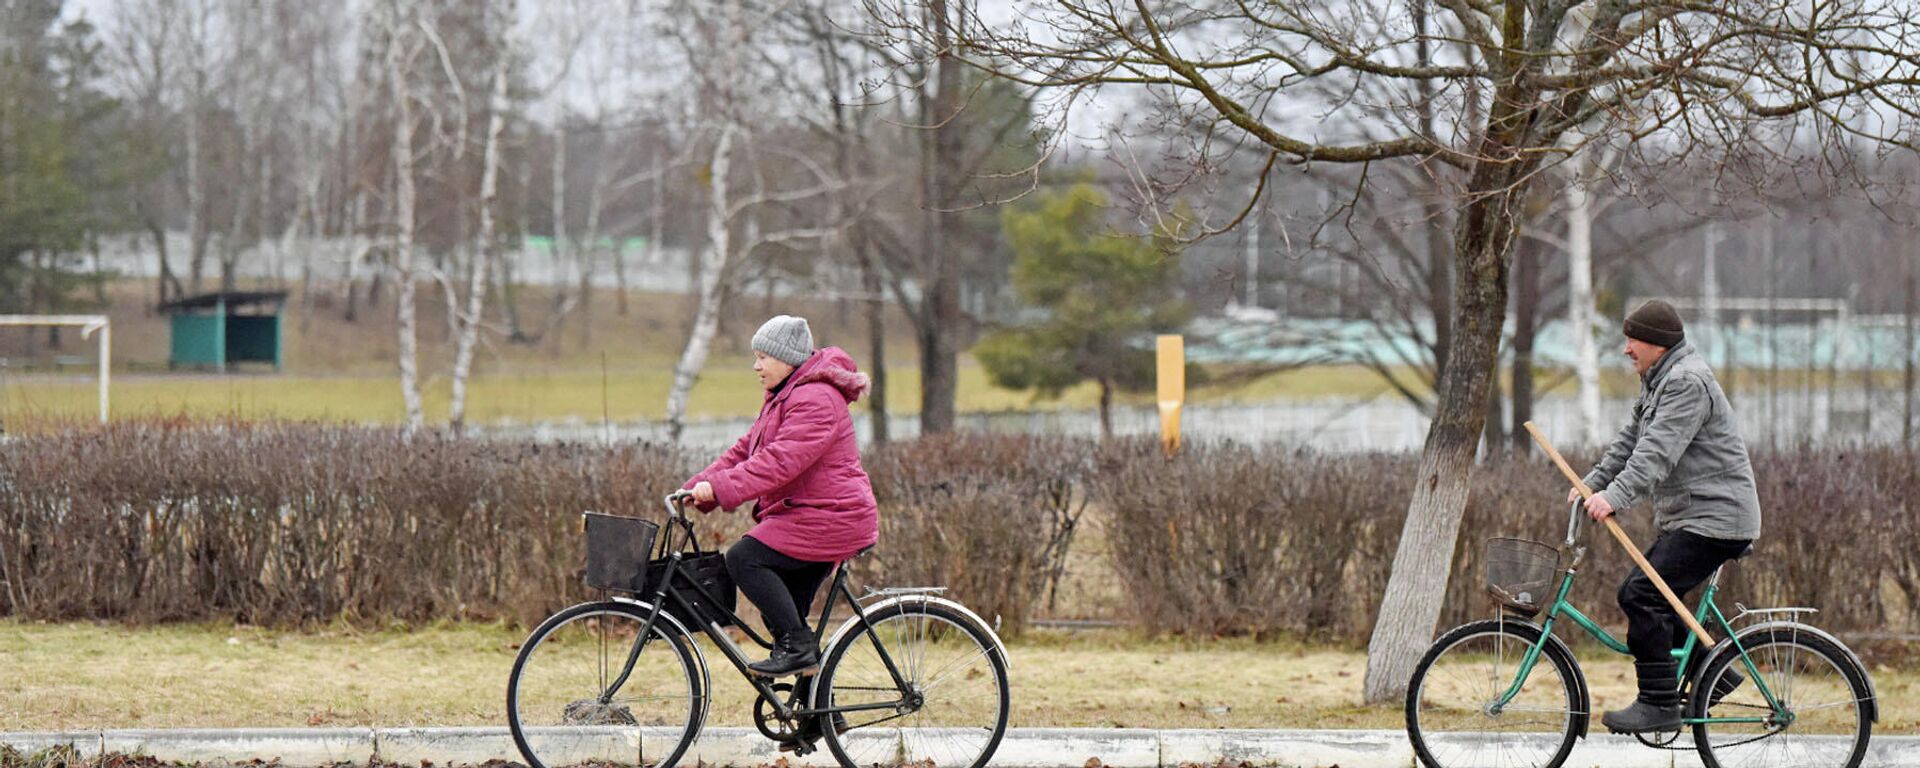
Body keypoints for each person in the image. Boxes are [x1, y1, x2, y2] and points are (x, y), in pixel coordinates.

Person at [1571, 299, 1762, 734]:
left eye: (1632, 339)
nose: (1626, 349)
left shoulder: (1686, 383)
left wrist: (1614, 497)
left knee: (1643, 595)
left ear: (1658, 344)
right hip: (1695, 517)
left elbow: (1655, 454)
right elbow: (1630, 443)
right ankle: (1715, 677)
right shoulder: (1659, 379)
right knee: (1641, 592)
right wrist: (1592, 483)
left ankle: (1658, 704)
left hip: (1716, 519)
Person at [683, 314, 879, 679]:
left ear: (787, 358)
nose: (755, 366)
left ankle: (801, 650)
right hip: (811, 514)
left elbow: (778, 462)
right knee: (786, 618)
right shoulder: (785, 395)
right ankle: (818, 719)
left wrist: (722, 489)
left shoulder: (816, 399)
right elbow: (747, 450)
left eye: (763, 357)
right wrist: (697, 486)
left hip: (833, 517)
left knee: (744, 558)